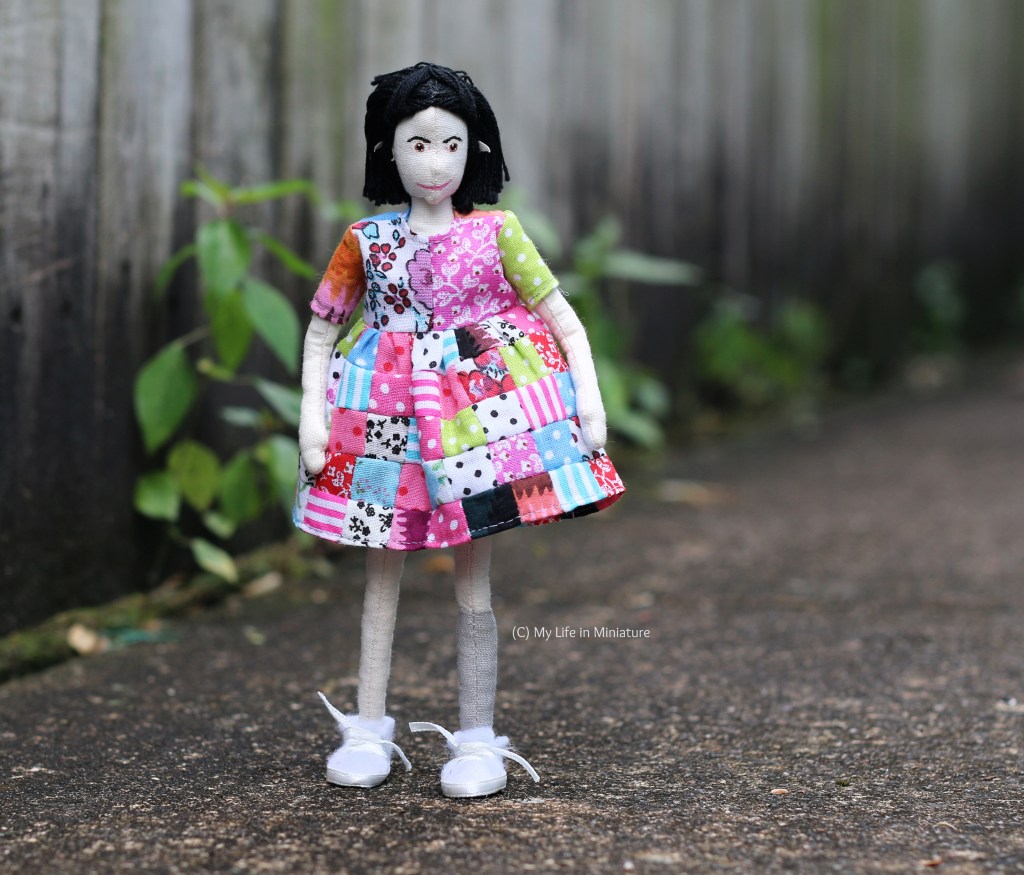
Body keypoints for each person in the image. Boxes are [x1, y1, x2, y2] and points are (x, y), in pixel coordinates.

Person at [295, 62, 624, 798]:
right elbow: (322, 330)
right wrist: (311, 420)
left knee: (473, 575)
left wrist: (589, 404)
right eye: (417, 144)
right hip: (380, 420)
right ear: (388, 150)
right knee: (381, 566)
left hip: (475, 424)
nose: (435, 163)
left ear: (474, 148)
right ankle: (368, 725)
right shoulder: (365, 241)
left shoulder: (498, 232)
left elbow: (561, 319)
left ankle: (476, 736)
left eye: (451, 144)